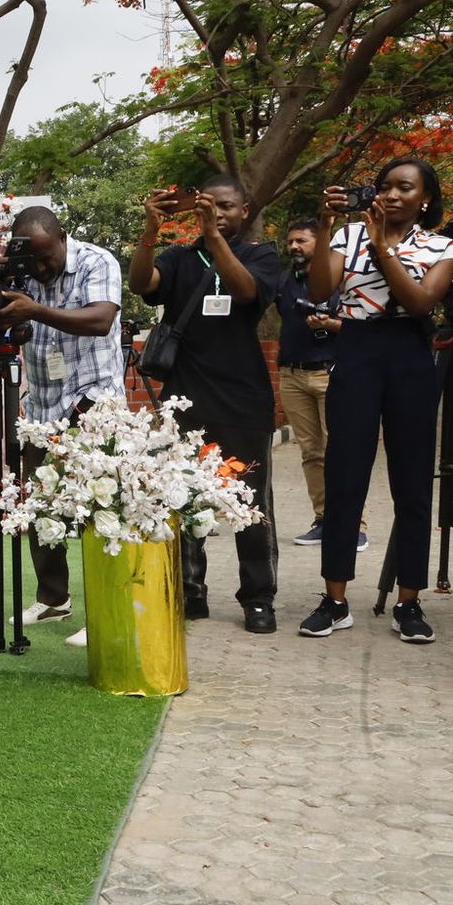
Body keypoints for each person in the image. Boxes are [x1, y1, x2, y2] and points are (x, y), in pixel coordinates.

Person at [300, 157, 453, 644]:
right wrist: (326, 227)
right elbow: (320, 289)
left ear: (425, 199)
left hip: (410, 354)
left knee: (412, 481)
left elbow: (420, 302)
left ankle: (409, 601)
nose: (391, 195)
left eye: (404, 188)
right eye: (385, 186)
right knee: (344, 475)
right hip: (357, 349)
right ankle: (334, 599)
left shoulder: (443, 246)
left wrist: (382, 248)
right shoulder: (347, 236)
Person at [130, 176, 284, 633]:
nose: (217, 212)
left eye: (227, 206)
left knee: (250, 503)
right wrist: (150, 230)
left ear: (244, 210)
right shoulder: (180, 257)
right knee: (182, 498)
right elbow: (141, 283)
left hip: (243, 400)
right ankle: (190, 592)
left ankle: (258, 597)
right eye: (209, 205)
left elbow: (246, 292)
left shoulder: (260, 254)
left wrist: (214, 237)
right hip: (185, 398)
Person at [0, 205, 126, 648]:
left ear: (63, 237)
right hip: (43, 408)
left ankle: (105, 610)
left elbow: (100, 320)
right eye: (33, 260)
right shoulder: (23, 273)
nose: (41, 268)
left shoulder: (96, 261)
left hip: (93, 403)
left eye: (47, 257)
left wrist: (35, 309)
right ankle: (53, 599)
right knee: (40, 508)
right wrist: (2, 290)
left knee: (100, 510)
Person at [274, 219, 355, 549]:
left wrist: (331, 324)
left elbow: (365, 330)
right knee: (311, 452)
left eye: (302, 241)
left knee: (343, 451)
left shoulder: (341, 279)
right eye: (290, 241)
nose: (294, 246)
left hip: (331, 372)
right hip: (292, 375)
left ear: (320, 244)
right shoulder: (284, 280)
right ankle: (323, 519)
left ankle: (352, 524)